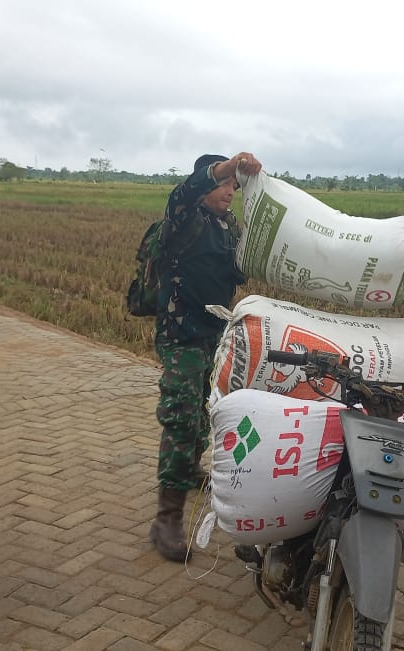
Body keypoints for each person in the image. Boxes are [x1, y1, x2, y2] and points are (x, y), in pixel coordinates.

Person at [150, 151, 262, 562]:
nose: (230, 191)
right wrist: (227, 165)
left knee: (205, 411)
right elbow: (186, 189)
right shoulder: (184, 216)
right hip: (181, 335)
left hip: (217, 334)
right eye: (224, 183)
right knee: (181, 417)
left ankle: (191, 470)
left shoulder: (225, 225)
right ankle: (167, 518)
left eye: (234, 186)